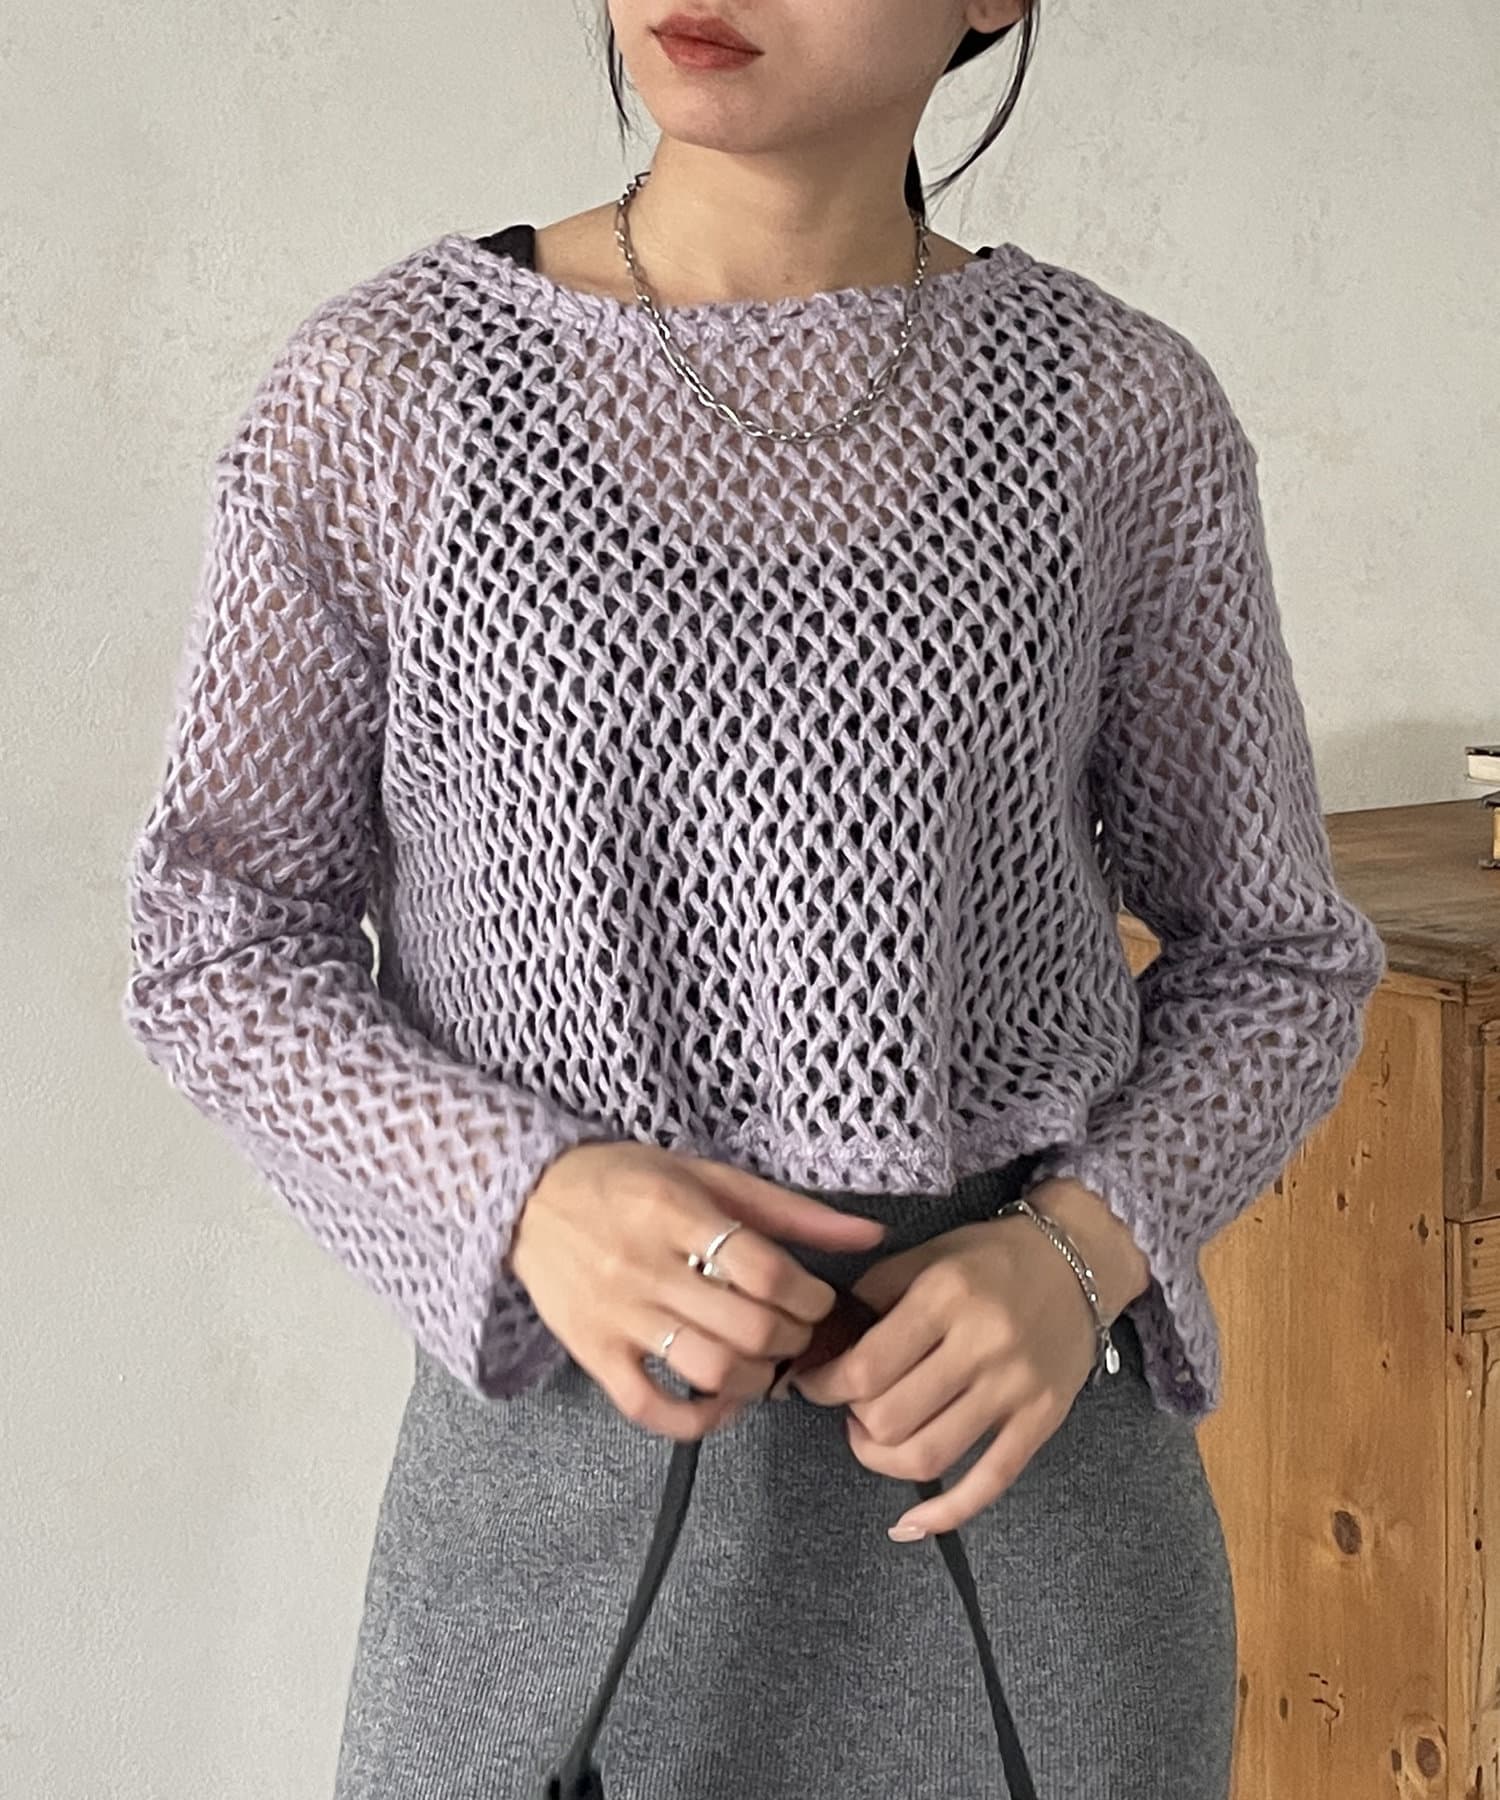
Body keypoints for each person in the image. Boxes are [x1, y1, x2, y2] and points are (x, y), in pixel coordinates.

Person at [119, 2, 1388, 1795]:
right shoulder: (384, 392)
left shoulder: (1117, 410)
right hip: (548, 1529)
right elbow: (217, 935)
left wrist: (1082, 1252)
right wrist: (518, 1192)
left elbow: (1275, 957)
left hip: (1023, 1513)